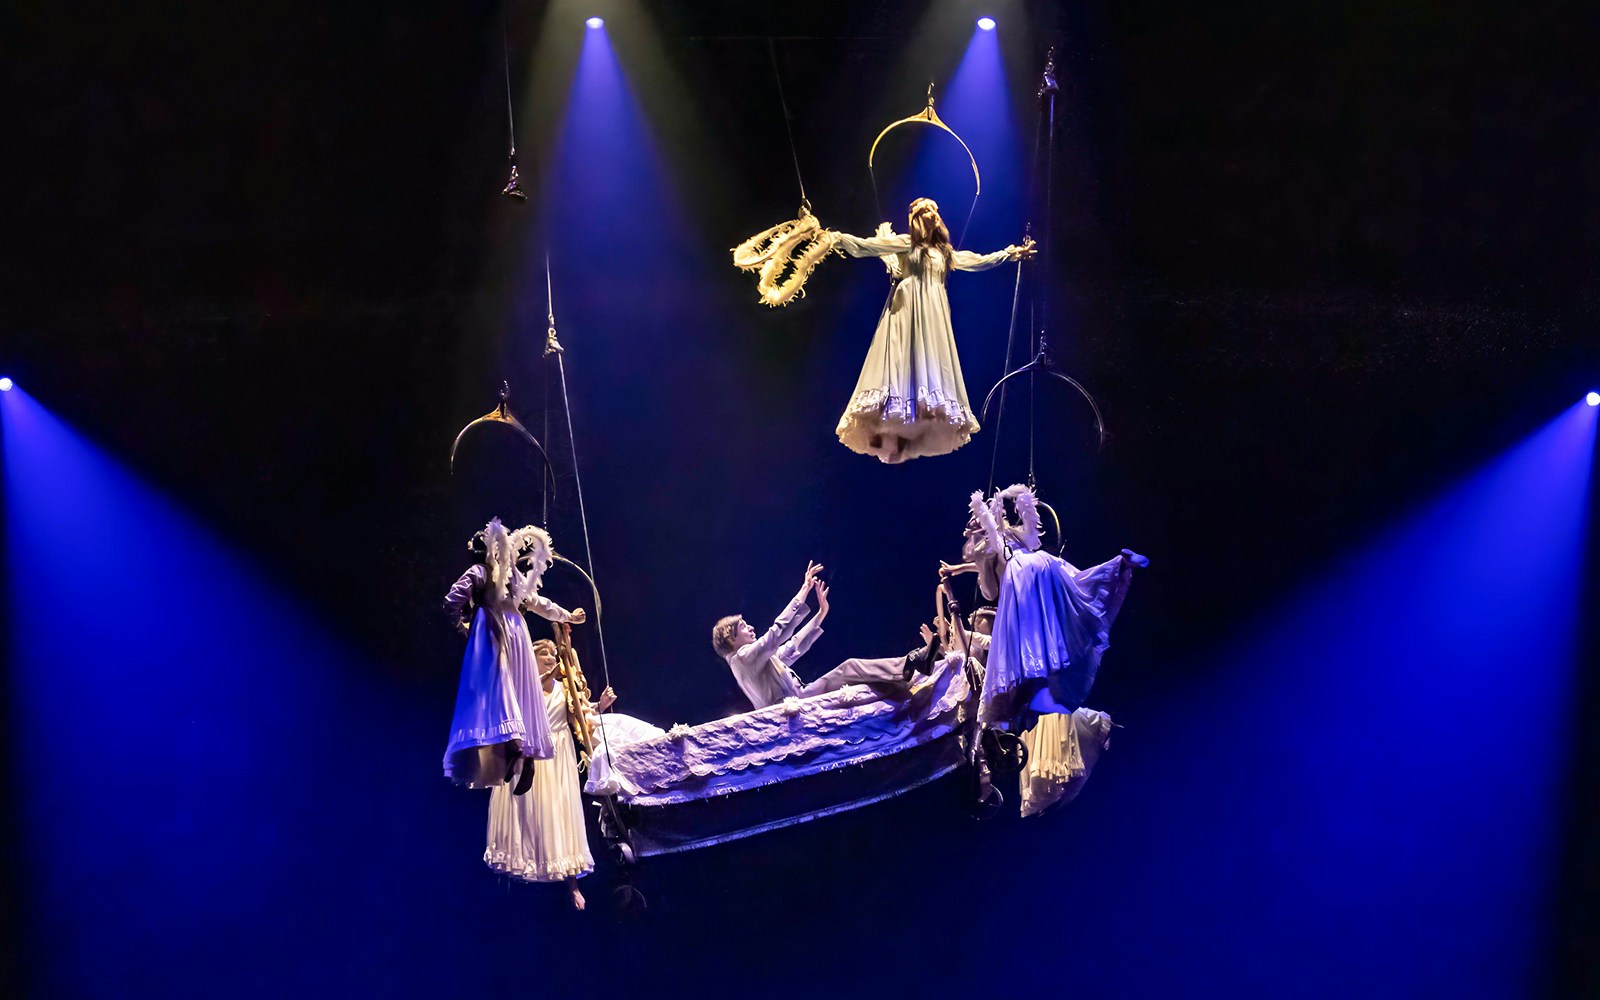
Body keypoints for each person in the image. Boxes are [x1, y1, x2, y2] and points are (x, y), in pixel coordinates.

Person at [828, 198, 1034, 463]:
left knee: (928, 364)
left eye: (936, 210)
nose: (934, 213)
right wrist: (835, 239)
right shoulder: (907, 243)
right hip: (908, 307)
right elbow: (867, 246)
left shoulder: (944, 252)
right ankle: (886, 425)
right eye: (927, 210)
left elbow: (975, 261)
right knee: (902, 361)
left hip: (933, 311)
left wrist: (1010, 253)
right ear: (916, 217)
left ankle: (915, 424)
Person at [943, 485, 1145, 729]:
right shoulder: (1013, 533)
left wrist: (978, 574)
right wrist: (960, 569)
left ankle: (1027, 697)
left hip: (1019, 579)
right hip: (1042, 565)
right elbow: (1007, 554)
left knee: (1021, 646)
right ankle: (1120, 564)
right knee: (1079, 587)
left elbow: (990, 590)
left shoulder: (982, 549)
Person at [442, 520, 586, 790]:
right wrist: (568, 615)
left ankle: (515, 752)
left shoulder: (479, 572)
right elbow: (539, 603)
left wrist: (464, 623)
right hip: (518, 630)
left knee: (496, 693)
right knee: (517, 692)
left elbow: (451, 600)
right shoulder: (511, 575)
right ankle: (523, 756)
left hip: (493, 631)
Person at [712, 562, 925, 711]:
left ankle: (904, 676)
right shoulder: (743, 658)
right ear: (730, 638)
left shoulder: (753, 660)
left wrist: (820, 614)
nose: (749, 627)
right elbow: (776, 633)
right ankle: (909, 664)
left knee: (851, 672)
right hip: (795, 707)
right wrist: (804, 590)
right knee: (849, 668)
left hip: (800, 699)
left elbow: (792, 647)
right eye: (742, 626)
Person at [484, 639, 595, 910]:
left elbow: (581, 722)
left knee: (560, 814)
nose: (550, 657)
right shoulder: (520, 686)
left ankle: (571, 883)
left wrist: (599, 705)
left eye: (553, 653)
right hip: (529, 754)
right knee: (524, 811)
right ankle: (514, 870)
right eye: (544, 653)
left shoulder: (565, 690)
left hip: (558, 757)